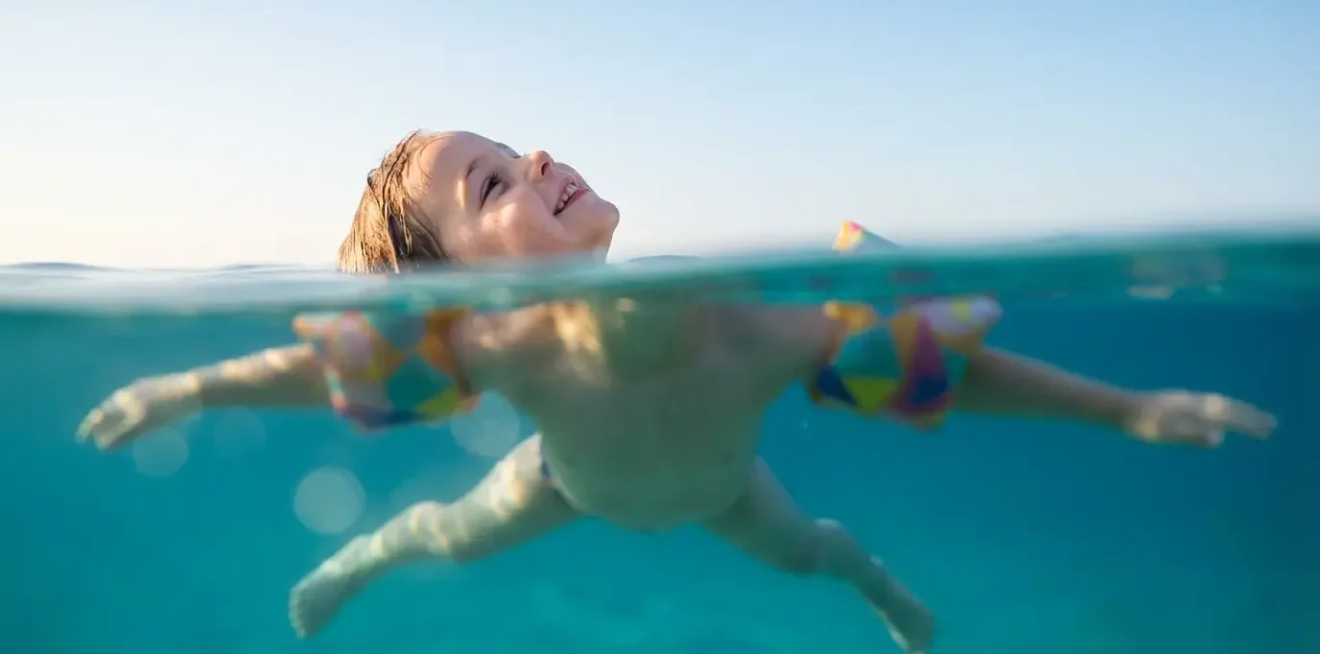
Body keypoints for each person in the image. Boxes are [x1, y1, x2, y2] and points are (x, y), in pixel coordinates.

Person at [76, 130, 1276, 653]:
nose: (539, 155)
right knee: (445, 530)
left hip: (721, 483)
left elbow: (943, 373)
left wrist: (1123, 408)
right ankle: (350, 564)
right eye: (494, 183)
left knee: (812, 549)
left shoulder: (743, 320)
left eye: (515, 144)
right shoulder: (504, 350)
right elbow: (325, 369)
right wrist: (192, 385)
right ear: (455, 300)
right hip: (566, 480)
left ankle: (888, 597)